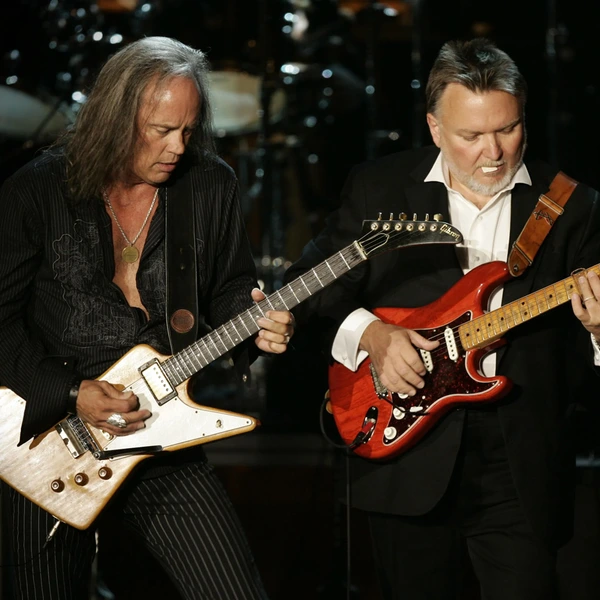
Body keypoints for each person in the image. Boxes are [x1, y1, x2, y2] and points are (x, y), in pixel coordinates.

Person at [284, 38, 600, 600]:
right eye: (470, 136)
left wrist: (599, 331)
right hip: (403, 455)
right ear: (434, 128)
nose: (494, 153)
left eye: (507, 129)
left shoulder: (574, 206)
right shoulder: (378, 187)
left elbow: (583, 361)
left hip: (520, 461)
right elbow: (309, 290)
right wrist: (371, 335)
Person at [0, 36, 294, 600]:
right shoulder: (35, 189)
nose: (178, 146)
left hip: (163, 436)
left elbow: (232, 287)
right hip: (49, 443)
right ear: (114, 118)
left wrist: (257, 322)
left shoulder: (210, 184)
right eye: (160, 130)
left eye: (188, 130)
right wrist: (69, 391)